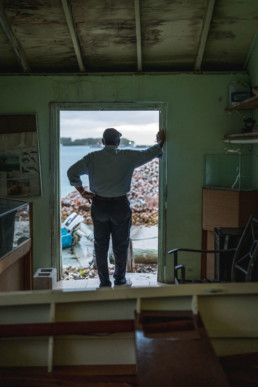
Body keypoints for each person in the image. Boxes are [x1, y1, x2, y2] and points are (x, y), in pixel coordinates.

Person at [67, 128, 166, 288]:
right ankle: (120, 280)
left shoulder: (92, 158)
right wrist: (160, 142)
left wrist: (83, 192)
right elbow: (148, 153)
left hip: (99, 205)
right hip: (120, 205)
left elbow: (72, 172)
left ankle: (104, 282)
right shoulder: (127, 156)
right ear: (118, 143)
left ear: (103, 142)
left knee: (100, 245)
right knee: (120, 245)